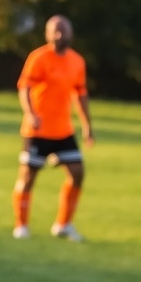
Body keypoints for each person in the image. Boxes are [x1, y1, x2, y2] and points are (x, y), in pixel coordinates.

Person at [14, 16, 95, 241]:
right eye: (55, 31)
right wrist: (30, 114)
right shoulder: (38, 58)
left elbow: (80, 94)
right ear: (48, 35)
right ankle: (21, 225)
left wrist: (87, 125)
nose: (60, 35)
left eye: (64, 30)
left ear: (71, 33)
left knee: (78, 173)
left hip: (63, 130)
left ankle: (63, 224)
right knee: (28, 177)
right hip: (37, 131)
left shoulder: (77, 61)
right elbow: (25, 88)